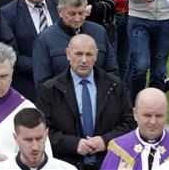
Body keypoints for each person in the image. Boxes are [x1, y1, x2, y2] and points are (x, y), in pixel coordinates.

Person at [36, 34, 135, 168]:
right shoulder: (50, 90)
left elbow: (130, 123)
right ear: (68, 54)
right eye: (78, 54)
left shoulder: (114, 85)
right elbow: (42, 132)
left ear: (96, 55)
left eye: (89, 54)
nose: (84, 60)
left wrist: (105, 141)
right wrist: (74, 144)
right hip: (67, 164)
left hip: (108, 162)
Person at [32, 0, 117, 90]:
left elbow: (112, 73)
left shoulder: (99, 32)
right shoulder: (45, 38)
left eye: (81, 13)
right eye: (72, 14)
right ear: (59, 11)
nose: (77, 19)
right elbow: (42, 84)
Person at [0, 0, 61, 102]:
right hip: (27, 86)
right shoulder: (7, 13)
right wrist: (44, 67)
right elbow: (11, 54)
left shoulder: (59, 7)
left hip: (62, 85)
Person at [102, 88, 169, 168]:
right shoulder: (119, 149)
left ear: (166, 115)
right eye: (147, 115)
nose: (153, 122)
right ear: (135, 114)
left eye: (159, 116)